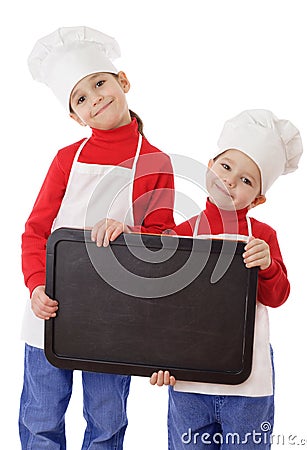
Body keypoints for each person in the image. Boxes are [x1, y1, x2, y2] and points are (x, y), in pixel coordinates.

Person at [101, 109, 303, 449]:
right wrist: (126, 233)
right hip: (188, 382)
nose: (230, 181)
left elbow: (278, 295)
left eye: (246, 181)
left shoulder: (262, 236)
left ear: (258, 199)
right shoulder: (182, 234)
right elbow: (157, 292)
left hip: (248, 386)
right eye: (226, 168)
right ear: (209, 166)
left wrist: (267, 265)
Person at [19, 26, 175, 449]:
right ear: (75, 117)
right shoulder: (66, 159)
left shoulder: (156, 162)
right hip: (53, 306)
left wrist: (132, 231)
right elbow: (36, 231)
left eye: (100, 83)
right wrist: (36, 286)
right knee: (40, 416)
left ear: (122, 82)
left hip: (115, 314)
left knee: (106, 420)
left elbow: (164, 239)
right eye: (81, 98)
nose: (96, 98)